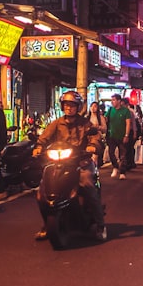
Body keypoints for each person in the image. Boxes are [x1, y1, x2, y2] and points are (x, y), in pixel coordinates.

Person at [33, 91, 106, 241]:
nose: (69, 108)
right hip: (60, 163)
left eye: (72, 105)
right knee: (41, 193)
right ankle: (47, 225)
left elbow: (95, 138)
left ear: (77, 107)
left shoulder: (85, 124)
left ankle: (100, 225)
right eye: (66, 105)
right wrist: (38, 147)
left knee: (87, 184)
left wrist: (93, 145)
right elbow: (44, 138)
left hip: (81, 162)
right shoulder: (57, 123)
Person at [105, 93, 132, 180]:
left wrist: (126, 135)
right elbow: (105, 119)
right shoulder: (110, 110)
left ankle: (122, 172)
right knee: (111, 153)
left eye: (114, 100)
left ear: (119, 101)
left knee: (123, 155)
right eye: (111, 100)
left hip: (122, 136)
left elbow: (128, 123)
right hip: (112, 136)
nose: (112, 102)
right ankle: (115, 167)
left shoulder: (125, 111)